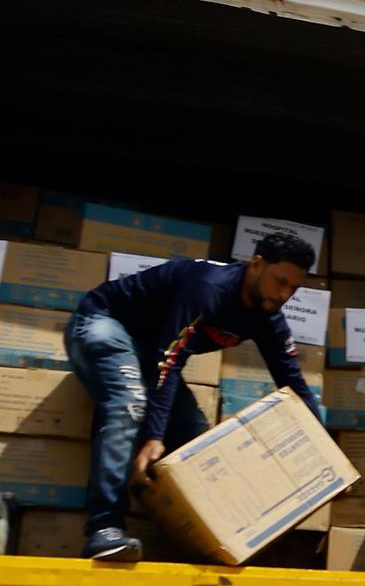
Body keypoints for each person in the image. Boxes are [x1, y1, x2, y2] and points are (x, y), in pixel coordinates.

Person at [66, 230, 326, 562]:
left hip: (149, 353)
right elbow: (170, 360)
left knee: (197, 444)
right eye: (280, 281)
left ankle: (207, 544)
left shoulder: (267, 318)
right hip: (103, 323)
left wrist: (327, 450)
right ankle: (104, 529)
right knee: (128, 404)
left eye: (293, 288)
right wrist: (153, 435)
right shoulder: (209, 287)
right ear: (257, 264)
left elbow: (294, 385)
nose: (284, 294)